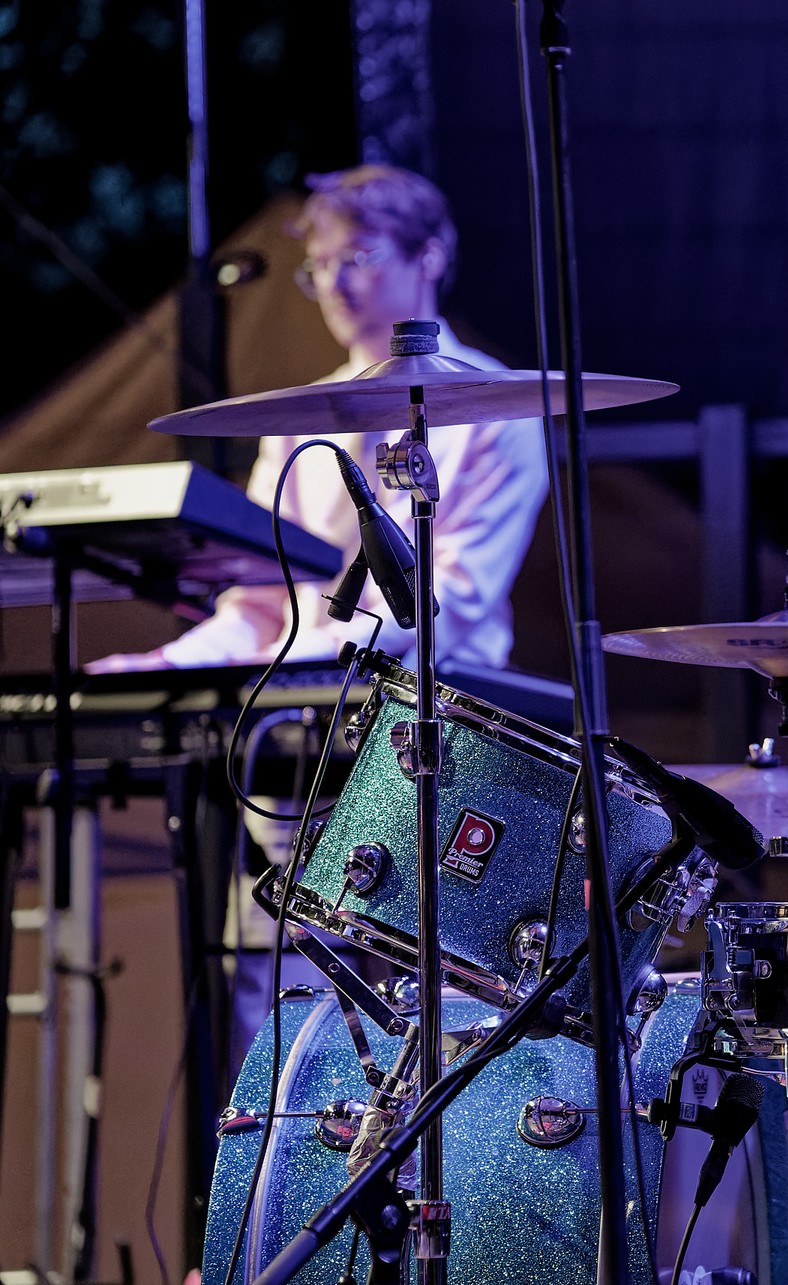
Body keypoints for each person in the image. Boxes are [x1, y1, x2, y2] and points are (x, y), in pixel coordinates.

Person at [86, 164, 553, 1083]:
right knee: (274, 987)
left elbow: (447, 600)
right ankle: (272, 1165)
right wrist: (166, 666)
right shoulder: (303, 424)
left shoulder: (494, 413)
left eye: (359, 257)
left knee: (432, 1003)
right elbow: (261, 609)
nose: (335, 283)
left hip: (438, 733)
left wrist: (299, 660)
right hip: (303, 731)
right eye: (319, 266)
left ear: (430, 257)